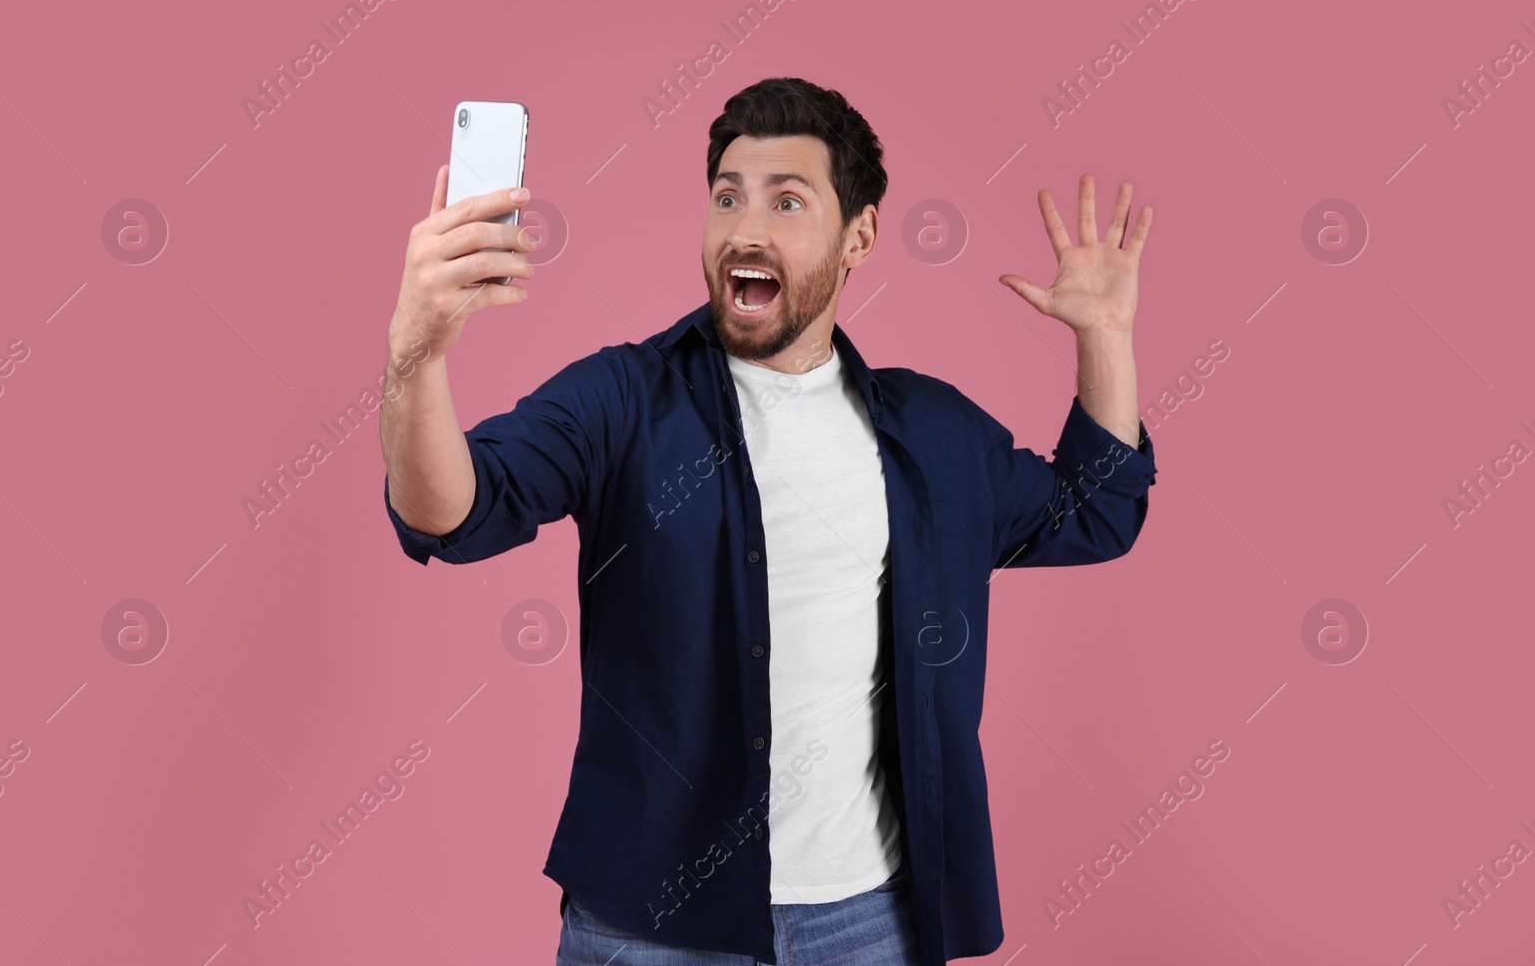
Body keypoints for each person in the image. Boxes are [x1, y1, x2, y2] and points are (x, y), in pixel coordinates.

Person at [379, 77, 1158, 966]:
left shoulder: (932, 434)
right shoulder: (621, 399)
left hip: (871, 923)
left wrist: (1104, 335)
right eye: (726, 197)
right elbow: (452, 510)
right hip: (653, 930)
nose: (744, 230)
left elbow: (1095, 509)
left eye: (788, 201)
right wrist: (416, 354)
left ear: (858, 234)